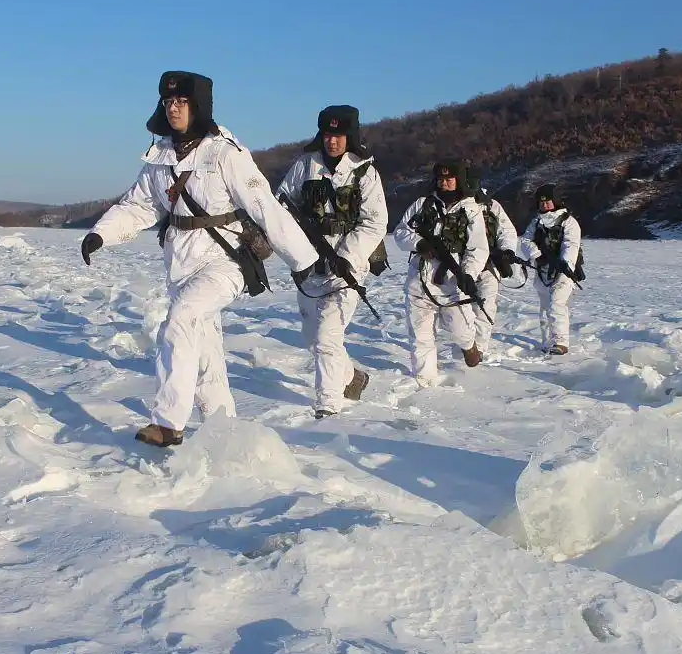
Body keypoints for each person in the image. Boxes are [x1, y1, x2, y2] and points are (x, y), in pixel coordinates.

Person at [80, 70, 319, 446]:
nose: (173, 108)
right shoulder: (158, 158)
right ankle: (224, 434)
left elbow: (264, 207)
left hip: (226, 261)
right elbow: (138, 206)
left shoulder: (226, 153)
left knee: (181, 319)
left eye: (182, 102)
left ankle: (168, 422)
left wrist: (302, 259)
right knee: (205, 354)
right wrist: (101, 234)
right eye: (168, 102)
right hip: (180, 264)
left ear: (199, 106)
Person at [275, 105, 389, 419]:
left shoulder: (364, 171)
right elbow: (282, 205)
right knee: (313, 338)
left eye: (338, 135)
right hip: (309, 263)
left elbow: (375, 222)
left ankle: (328, 405)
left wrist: (348, 256)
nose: (332, 141)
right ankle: (352, 378)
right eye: (327, 134)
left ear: (349, 137)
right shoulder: (304, 166)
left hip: (346, 267)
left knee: (327, 337)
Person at [393, 161, 490, 386]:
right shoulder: (422, 204)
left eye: (449, 179)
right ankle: (425, 381)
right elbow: (400, 232)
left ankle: (469, 346)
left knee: (460, 329)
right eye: (440, 179)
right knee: (420, 336)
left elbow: (478, 247)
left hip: (452, 281)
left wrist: (468, 274)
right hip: (420, 279)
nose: (444, 183)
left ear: (459, 180)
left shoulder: (470, 209)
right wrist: (419, 244)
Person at [518, 183, 583, 355]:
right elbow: (525, 241)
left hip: (563, 271)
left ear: (556, 201)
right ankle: (547, 342)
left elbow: (571, 244)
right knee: (546, 307)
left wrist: (564, 263)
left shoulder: (569, 222)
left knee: (557, 304)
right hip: (542, 269)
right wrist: (537, 255)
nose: (544, 205)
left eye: (548, 201)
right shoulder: (536, 222)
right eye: (541, 202)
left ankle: (561, 343)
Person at [467, 173, 519, 353]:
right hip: (459, 264)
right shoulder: (453, 206)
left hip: (489, 265)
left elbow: (507, 231)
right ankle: (465, 343)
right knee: (461, 309)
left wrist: (507, 250)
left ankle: (478, 347)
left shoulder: (492, 206)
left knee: (485, 306)